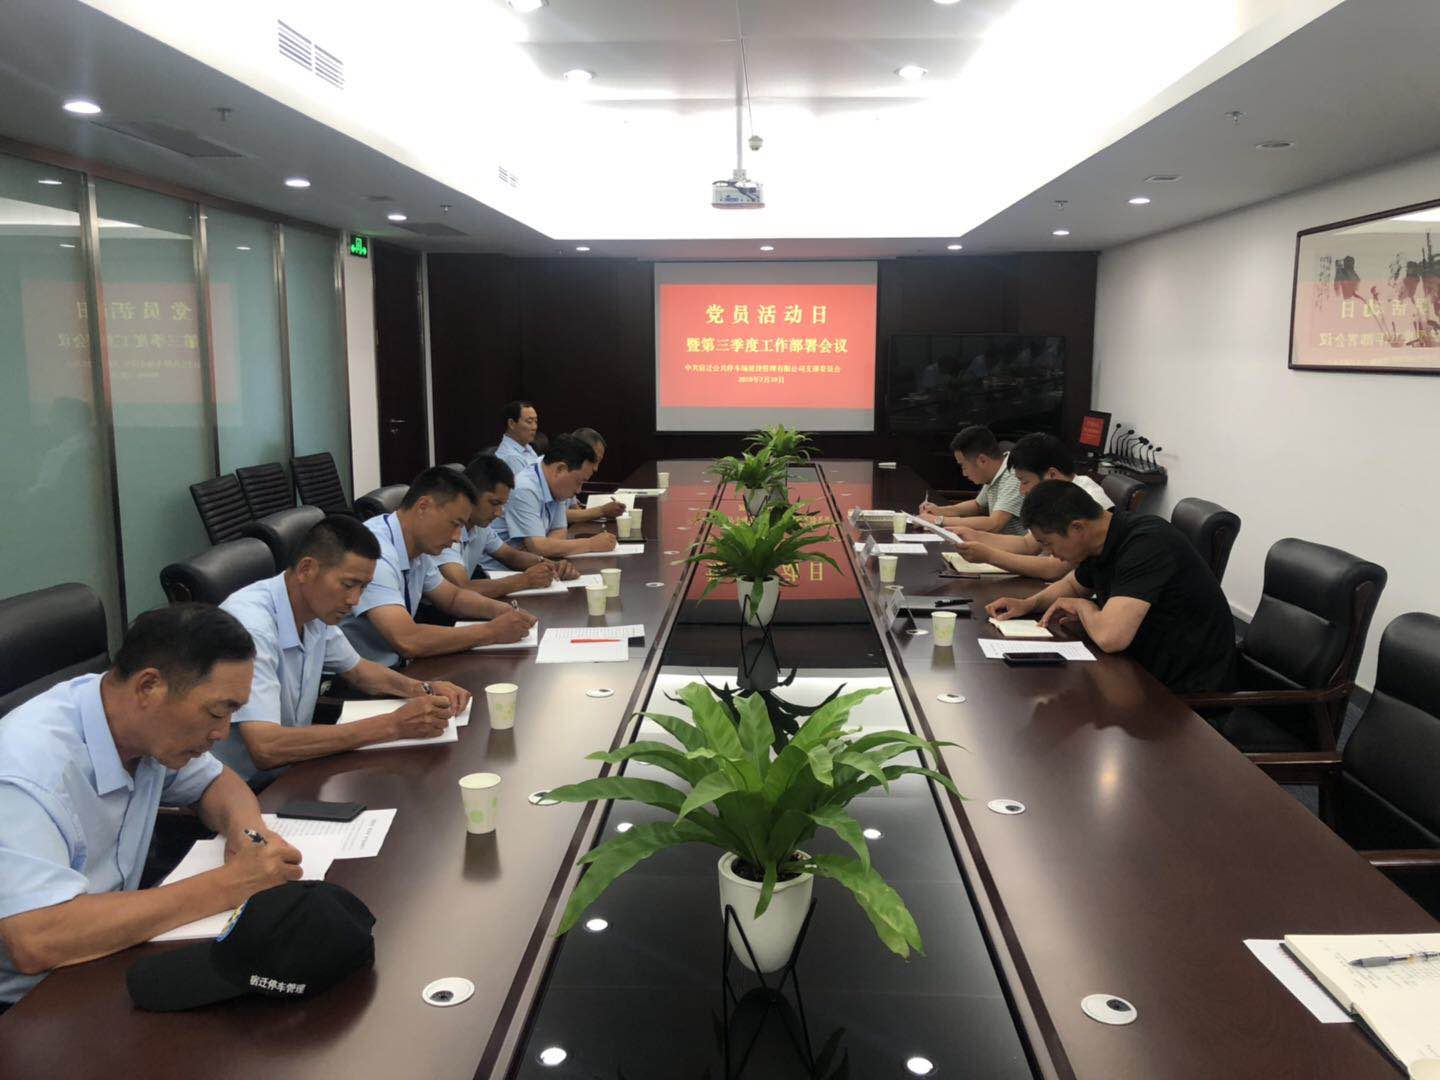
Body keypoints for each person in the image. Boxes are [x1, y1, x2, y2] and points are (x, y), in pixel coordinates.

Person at [0, 604, 304, 1008]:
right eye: (217, 711)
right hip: (33, 1003)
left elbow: (218, 782)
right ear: (148, 687)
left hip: (112, 953)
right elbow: (36, 939)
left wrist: (250, 836)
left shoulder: (139, 724)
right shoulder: (26, 770)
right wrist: (233, 883)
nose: (222, 732)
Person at [215, 515, 472, 786]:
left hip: (292, 770)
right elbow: (266, 747)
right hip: (241, 787)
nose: (355, 600)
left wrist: (423, 688)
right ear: (306, 569)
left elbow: (360, 671)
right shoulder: (252, 627)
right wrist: (393, 725)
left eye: (363, 587)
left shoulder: (313, 608)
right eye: (348, 585)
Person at [986, 480, 1237, 694]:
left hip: (1185, 695)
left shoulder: (1146, 544)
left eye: (1048, 543)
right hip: (1138, 671)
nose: (1049, 552)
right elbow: (1073, 586)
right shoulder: (1101, 540)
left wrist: (1084, 608)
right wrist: (1029, 604)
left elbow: (1111, 638)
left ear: (1077, 528)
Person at [341, 466, 537, 668]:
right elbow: (407, 640)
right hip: (357, 678)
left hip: (395, 668)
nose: (457, 537)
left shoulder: (417, 547)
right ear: (423, 507)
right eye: (454, 524)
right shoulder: (375, 552)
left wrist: (504, 611)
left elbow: (453, 597)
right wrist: (491, 632)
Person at [949, 432, 1114, 580]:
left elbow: (1054, 568)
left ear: (1052, 475)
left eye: (1024, 481)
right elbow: (1027, 544)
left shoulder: (1087, 499)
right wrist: (974, 535)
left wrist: (989, 556)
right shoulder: (1056, 496)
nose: (1022, 491)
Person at [436, 454, 579, 583]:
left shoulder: (480, 526)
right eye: (494, 503)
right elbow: (462, 587)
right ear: (470, 493)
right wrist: (523, 580)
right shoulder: (447, 529)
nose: (498, 513)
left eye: (502, 505)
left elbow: (511, 556)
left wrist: (552, 566)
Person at [494, 433, 618, 559]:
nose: (579, 490)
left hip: (536, 562)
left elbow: (559, 530)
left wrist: (547, 547)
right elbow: (537, 546)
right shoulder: (525, 488)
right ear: (560, 469)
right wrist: (590, 544)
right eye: (579, 482)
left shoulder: (555, 484)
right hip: (504, 568)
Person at [918, 425, 1028, 536]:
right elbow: (977, 505)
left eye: (963, 466)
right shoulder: (995, 471)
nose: (964, 473)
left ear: (982, 460)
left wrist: (939, 520)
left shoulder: (1014, 475)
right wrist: (940, 511)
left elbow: (995, 523)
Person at [564, 428, 626, 524]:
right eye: (595, 460)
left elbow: (574, 509)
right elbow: (561, 515)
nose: (596, 468)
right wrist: (602, 511)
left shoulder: (574, 471)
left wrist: (605, 512)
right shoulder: (560, 470)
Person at [495, 400, 541, 475]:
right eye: (529, 422)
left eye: (536, 421)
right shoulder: (510, 457)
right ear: (511, 424)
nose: (534, 427)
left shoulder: (526, 446)